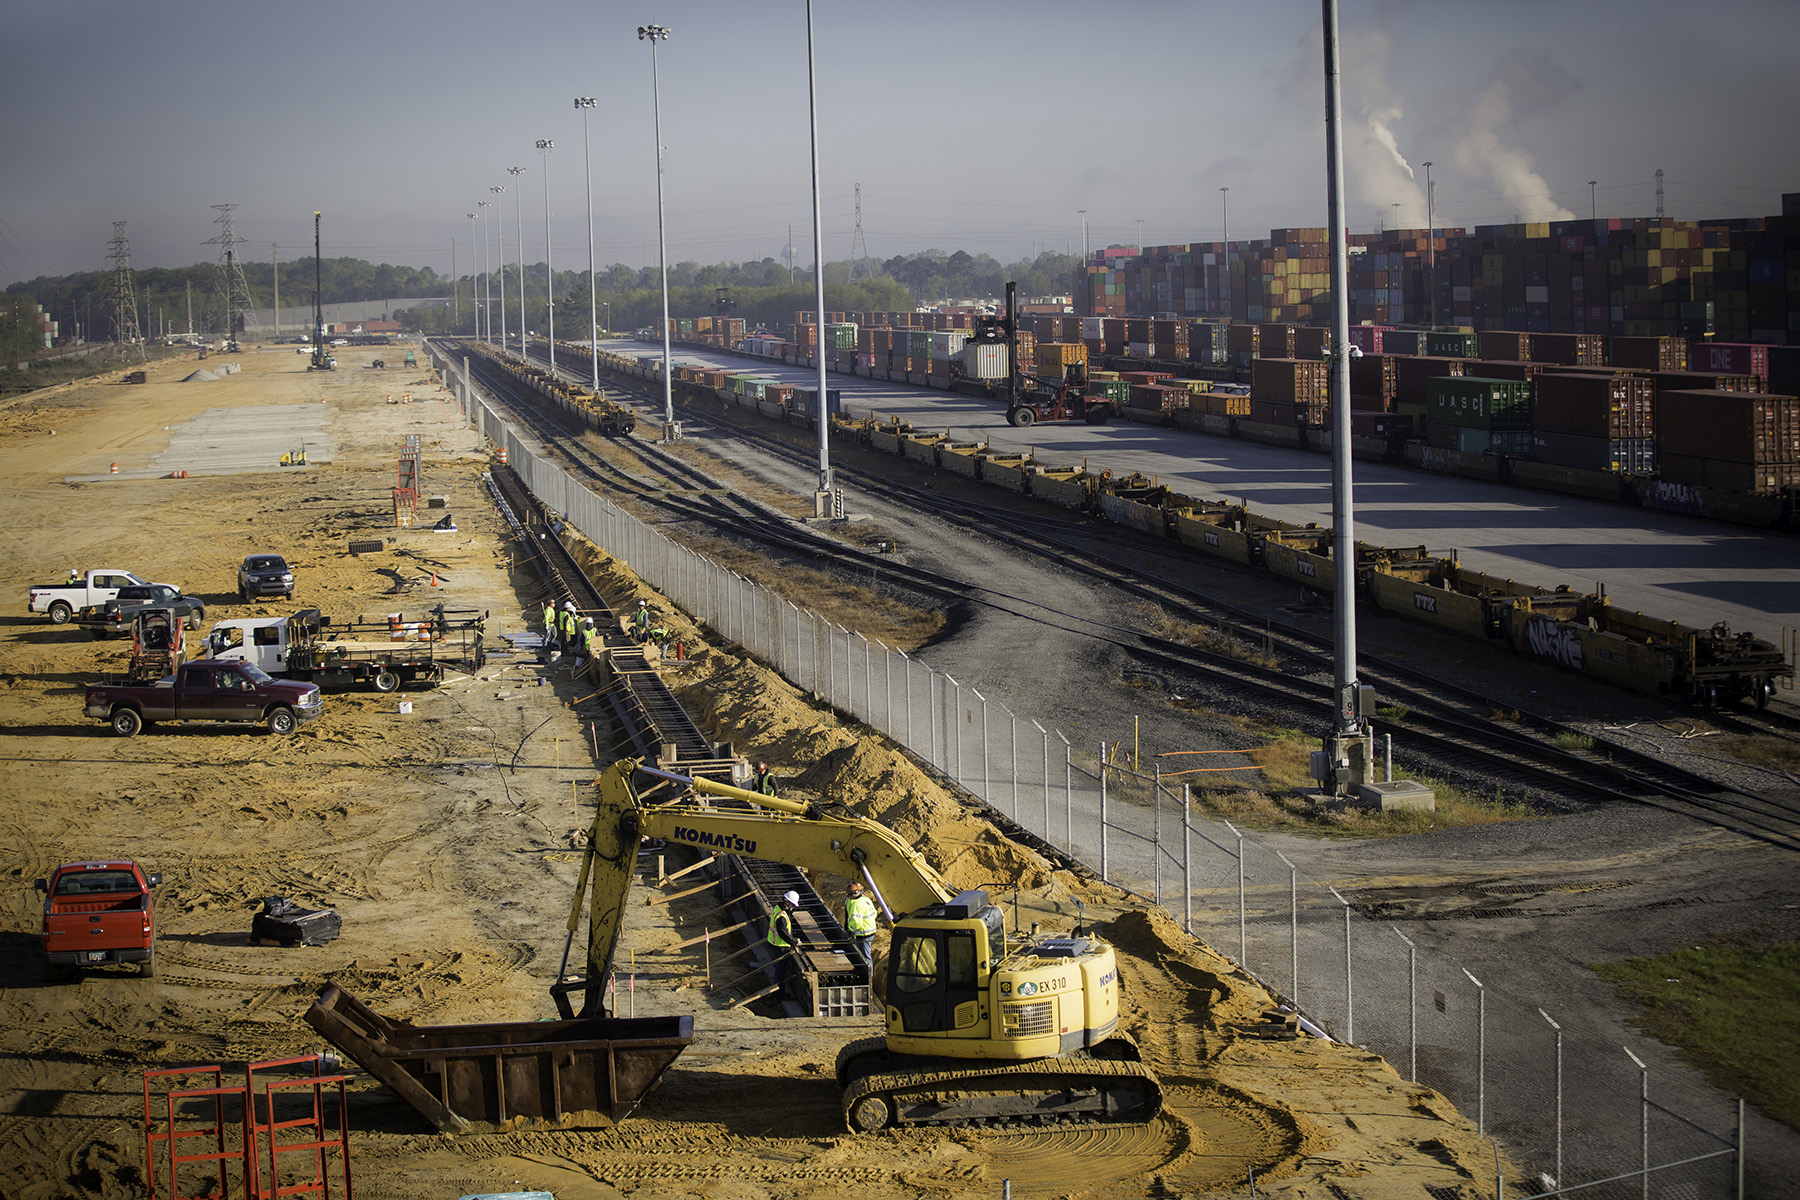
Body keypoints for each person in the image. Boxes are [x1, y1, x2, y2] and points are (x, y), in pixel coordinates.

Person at [766, 890, 800, 991]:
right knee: (780, 974)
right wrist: (795, 941)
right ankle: (778, 995)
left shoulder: (778, 908)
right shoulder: (781, 916)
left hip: (775, 944)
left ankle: (779, 993)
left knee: (779, 971)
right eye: (792, 905)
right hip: (780, 947)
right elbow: (783, 933)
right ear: (787, 902)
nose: (792, 908)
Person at [844, 881, 878, 975]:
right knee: (864, 955)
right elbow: (874, 913)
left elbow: (856, 923)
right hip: (868, 932)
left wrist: (851, 931)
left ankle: (868, 977)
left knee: (865, 957)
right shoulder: (865, 900)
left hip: (863, 934)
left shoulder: (856, 904)